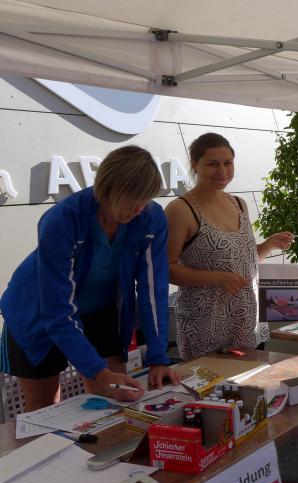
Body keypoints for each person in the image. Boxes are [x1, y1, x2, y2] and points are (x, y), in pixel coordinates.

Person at [0, 146, 178, 410]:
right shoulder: (63, 219)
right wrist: (98, 372)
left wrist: (158, 358)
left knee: (115, 397)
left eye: (145, 200)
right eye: (130, 200)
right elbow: (58, 313)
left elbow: (153, 291)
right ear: (106, 188)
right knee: (44, 406)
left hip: (100, 307)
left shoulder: (151, 218)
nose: (138, 209)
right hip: (37, 310)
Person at [165, 133, 294, 360]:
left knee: (254, 382)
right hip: (206, 327)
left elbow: (243, 260)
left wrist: (269, 245)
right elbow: (166, 269)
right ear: (194, 164)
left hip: (249, 325)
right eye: (212, 164)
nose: (222, 171)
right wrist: (216, 278)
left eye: (228, 163)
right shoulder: (180, 210)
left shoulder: (239, 204)